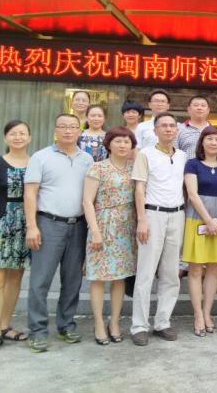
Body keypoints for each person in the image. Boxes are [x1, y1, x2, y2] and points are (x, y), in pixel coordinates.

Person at [24, 114, 94, 353]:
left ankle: (66, 325)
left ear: (79, 131)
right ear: (55, 129)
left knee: (73, 280)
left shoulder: (87, 159)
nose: (68, 131)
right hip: (48, 224)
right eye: (63, 127)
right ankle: (37, 331)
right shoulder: (40, 157)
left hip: (79, 226)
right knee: (40, 280)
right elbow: (30, 193)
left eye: (73, 127)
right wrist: (32, 226)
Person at [130, 112, 187, 346]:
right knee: (146, 272)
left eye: (172, 125)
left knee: (171, 273)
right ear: (155, 130)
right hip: (152, 214)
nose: (168, 129)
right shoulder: (145, 154)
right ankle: (139, 325)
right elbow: (139, 189)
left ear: (177, 130)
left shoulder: (182, 156)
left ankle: (163, 321)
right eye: (163, 126)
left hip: (177, 215)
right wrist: (142, 219)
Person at [82, 126, 137, 345]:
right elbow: (87, 201)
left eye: (127, 141)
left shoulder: (134, 168)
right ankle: (98, 323)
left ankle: (114, 322)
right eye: (118, 141)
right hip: (103, 224)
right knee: (98, 277)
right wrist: (95, 231)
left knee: (119, 277)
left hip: (127, 227)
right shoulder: (98, 168)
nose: (123, 145)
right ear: (109, 144)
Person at [0, 120, 32, 354]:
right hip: (0, 225)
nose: (18, 137)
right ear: (6, 138)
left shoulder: (36, 164)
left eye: (22, 133)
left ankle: (5, 326)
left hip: (26, 225)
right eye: (13, 133)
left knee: (15, 278)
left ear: (29, 137)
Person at [182, 126, 217, 337]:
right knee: (195, 270)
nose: (213, 142)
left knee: (213, 269)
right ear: (202, 142)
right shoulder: (192, 164)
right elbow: (192, 194)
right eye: (209, 138)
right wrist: (208, 220)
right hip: (197, 220)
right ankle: (197, 315)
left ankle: (207, 313)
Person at [176, 95, 211, 159]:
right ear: (189, 109)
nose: (199, 108)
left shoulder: (214, 131)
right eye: (196, 105)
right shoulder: (178, 129)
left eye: (203, 105)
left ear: (208, 110)